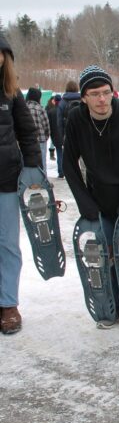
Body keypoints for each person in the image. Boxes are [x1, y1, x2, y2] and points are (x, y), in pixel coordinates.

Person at [63, 65, 119, 330]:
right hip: (100, 201)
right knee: (105, 258)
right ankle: (111, 307)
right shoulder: (77, 120)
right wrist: (85, 203)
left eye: (106, 92)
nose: (102, 99)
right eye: (94, 94)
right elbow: (69, 164)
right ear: (84, 97)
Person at [0, 32, 42, 334]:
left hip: (5, 180)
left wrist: (32, 172)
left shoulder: (11, 93)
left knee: (7, 244)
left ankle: (9, 304)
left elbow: (28, 134)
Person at [56, 80, 81, 179]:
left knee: (70, 157)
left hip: (68, 133)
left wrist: (62, 136)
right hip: (83, 133)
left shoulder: (62, 102)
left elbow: (59, 122)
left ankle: (71, 176)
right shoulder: (83, 100)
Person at [25, 87, 50, 172]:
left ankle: (30, 182)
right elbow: (46, 125)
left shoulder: (23, 108)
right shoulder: (40, 109)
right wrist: (46, 136)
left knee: (27, 162)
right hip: (41, 140)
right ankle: (43, 181)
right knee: (42, 162)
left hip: (26, 141)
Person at [46, 95, 60, 166]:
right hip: (54, 131)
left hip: (55, 131)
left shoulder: (53, 109)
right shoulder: (49, 107)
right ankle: (51, 154)